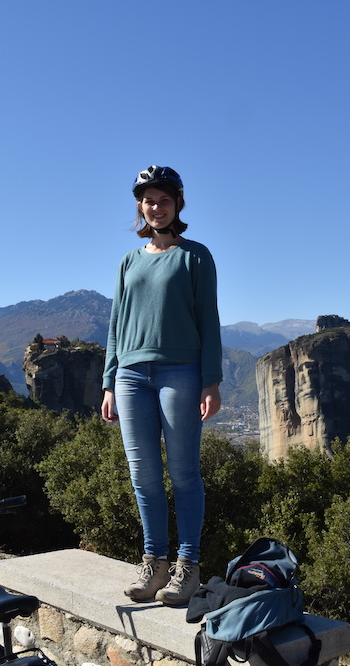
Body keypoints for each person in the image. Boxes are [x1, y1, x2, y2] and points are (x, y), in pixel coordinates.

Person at [101, 165, 223, 606]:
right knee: (144, 475)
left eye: (164, 200)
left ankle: (186, 568)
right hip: (131, 376)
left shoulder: (195, 256)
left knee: (184, 472)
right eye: (148, 200)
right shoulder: (128, 261)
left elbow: (208, 320)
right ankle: (153, 565)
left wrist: (211, 381)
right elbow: (117, 323)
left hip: (181, 373)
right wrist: (109, 380)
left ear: (178, 205)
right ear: (141, 206)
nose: (156, 207)